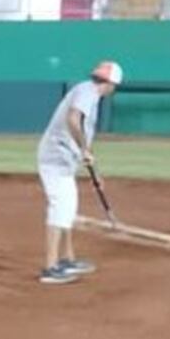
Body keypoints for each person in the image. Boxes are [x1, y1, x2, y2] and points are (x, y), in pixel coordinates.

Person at [35, 60, 123, 285]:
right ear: (111, 84)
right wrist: (83, 149)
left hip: (63, 158)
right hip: (55, 158)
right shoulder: (88, 92)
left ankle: (66, 259)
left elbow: (82, 133)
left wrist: (95, 170)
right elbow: (73, 119)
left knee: (68, 207)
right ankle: (50, 267)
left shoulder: (87, 91)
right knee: (60, 208)